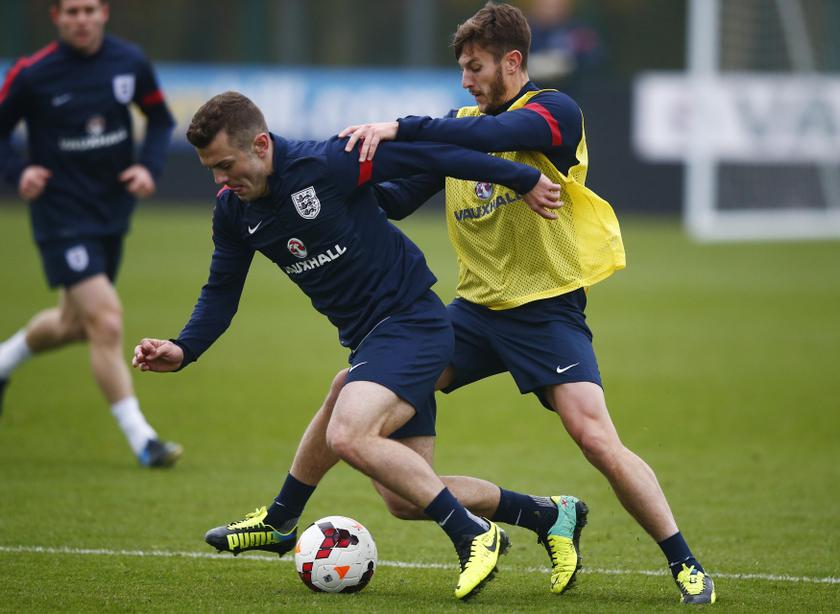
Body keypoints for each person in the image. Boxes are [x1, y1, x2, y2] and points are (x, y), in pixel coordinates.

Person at [336, 1, 715, 605]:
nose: (466, 80)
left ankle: (686, 563)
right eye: (462, 68)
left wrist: (403, 128)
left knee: (595, 439)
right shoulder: (460, 120)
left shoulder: (554, 111)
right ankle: (544, 515)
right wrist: (335, 187)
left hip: (547, 312)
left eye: (475, 66)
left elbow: (497, 134)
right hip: (471, 316)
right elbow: (399, 197)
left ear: (513, 63)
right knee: (383, 450)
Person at [131, 91, 568, 600]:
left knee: (348, 430)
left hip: (412, 323)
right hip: (372, 342)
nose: (221, 179)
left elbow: (433, 157)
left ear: (262, 144)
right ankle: (546, 513)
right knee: (403, 495)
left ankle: (473, 533)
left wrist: (522, 177)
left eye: (226, 164)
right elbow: (221, 291)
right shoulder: (232, 212)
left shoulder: (328, 163)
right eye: (211, 169)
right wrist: (184, 349)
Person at [0, 0, 181, 468]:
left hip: (110, 212)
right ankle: (144, 440)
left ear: (105, 12)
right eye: (71, 11)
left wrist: (148, 166)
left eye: (89, 9)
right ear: (56, 16)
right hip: (60, 216)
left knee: (73, 324)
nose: (81, 19)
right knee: (106, 321)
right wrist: (18, 171)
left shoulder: (130, 62)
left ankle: (3, 363)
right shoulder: (32, 73)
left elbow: (160, 120)